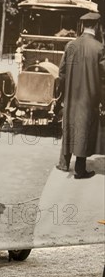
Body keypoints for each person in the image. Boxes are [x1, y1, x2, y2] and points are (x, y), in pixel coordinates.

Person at [56, 12, 105, 178]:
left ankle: (63, 163)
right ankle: (80, 169)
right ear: (97, 26)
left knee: (69, 126)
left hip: (71, 97)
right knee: (83, 128)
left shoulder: (71, 45)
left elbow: (61, 73)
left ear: (83, 26)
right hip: (88, 97)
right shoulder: (99, 48)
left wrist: (61, 95)